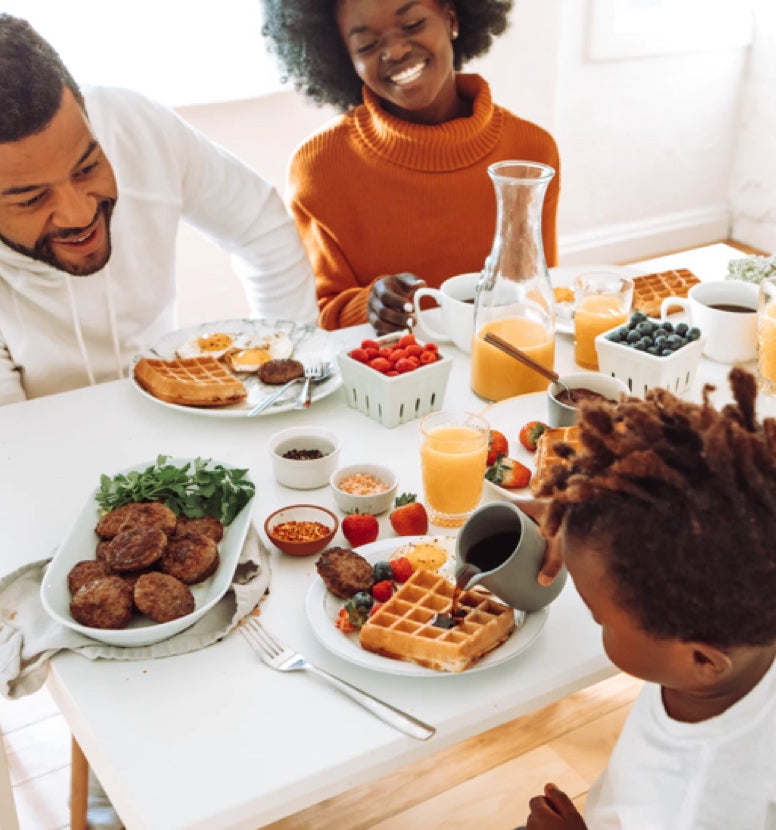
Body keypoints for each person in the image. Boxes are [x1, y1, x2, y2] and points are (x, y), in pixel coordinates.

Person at [0, 13, 319, 411]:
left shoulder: (135, 126)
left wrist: (286, 383)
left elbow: (258, 223)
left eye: (86, 169)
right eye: (32, 199)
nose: (78, 214)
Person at [519, 367, 776, 829]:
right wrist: (582, 521)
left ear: (702, 660)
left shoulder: (693, 806)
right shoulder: (743, 618)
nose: (594, 618)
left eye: (601, 618)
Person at [260, 0, 560, 333]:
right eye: (368, 44)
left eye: (413, 24)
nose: (396, 51)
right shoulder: (319, 168)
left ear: (451, 18)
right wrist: (368, 304)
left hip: (503, 368)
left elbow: (536, 295)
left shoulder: (531, 152)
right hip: (390, 376)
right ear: (343, 56)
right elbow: (320, 320)